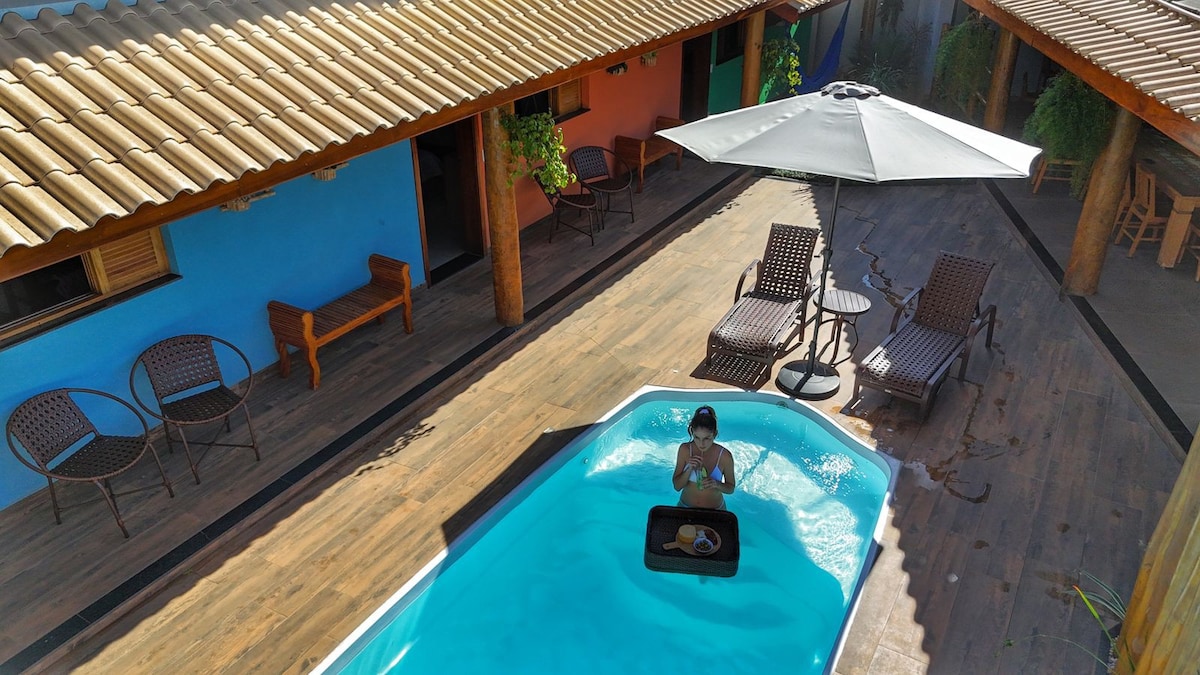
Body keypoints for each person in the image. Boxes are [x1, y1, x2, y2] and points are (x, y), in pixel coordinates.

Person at [672, 405, 736, 509]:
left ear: (714, 434)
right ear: (692, 432)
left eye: (707, 438)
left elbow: (730, 488)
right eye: (697, 437)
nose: (701, 444)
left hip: (716, 510)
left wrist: (716, 484)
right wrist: (689, 469)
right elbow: (677, 486)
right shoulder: (685, 450)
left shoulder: (724, 456)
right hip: (685, 507)